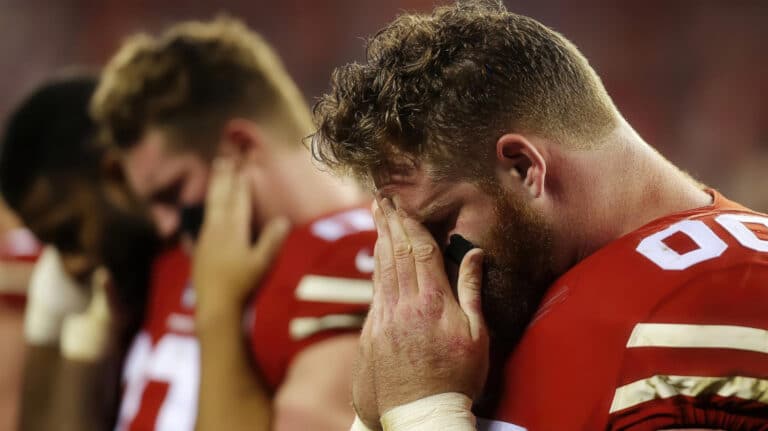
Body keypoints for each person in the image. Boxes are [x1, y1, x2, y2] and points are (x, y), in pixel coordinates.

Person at [311, 1, 768, 430]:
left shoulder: (714, 297)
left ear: (524, 168)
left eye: (437, 222)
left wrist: (423, 413)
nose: (416, 256)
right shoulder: (539, 286)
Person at [91, 17, 376, 431]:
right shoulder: (187, 256)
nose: (166, 226)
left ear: (241, 147)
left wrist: (218, 310)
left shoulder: (356, 254)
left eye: (173, 191)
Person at [0, 74, 157, 431]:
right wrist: (55, 332)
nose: (73, 265)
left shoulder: (214, 264)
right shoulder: (91, 289)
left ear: (115, 173)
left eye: (69, 234)